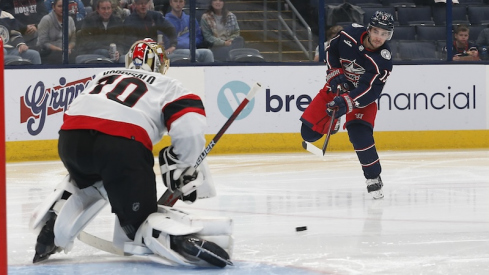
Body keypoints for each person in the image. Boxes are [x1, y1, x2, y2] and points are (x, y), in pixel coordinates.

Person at [29, 38, 233, 268]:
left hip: (71, 142)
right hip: (120, 146)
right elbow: (189, 128)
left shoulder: (103, 75)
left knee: (88, 180)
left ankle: (56, 218)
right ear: (162, 65)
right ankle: (176, 239)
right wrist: (183, 164)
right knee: (137, 227)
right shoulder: (169, 84)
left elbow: (77, 111)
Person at [300, 11, 395, 200]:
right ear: (369, 29)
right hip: (336, 88)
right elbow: (331, 51)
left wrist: (347, 102)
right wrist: (335, 74)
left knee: (360, 135)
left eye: (385, 34)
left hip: (360, 99)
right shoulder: (349, 35)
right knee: (308, 134)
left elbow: (371, 91)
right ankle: (332, 124)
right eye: (377, 32)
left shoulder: (383, 60)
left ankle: (373, 177)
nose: (379, 38)